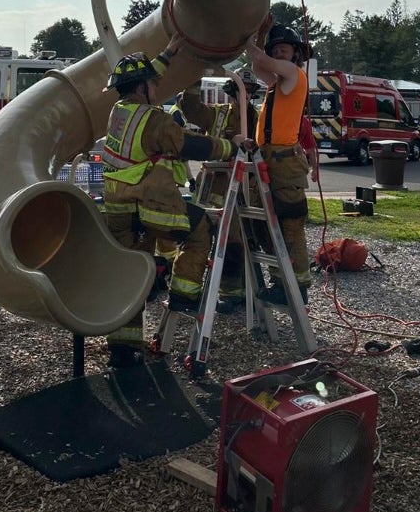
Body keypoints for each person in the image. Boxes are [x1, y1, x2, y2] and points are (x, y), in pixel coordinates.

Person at [102, 37, 239, 368]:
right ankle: (183, 295)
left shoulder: (118, 112)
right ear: (143, 87)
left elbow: (145, 79)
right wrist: (230, 148)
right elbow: (188, 146)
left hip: (118, 210)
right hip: (148, 205)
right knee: (201, 227)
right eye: (153, 83)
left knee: (132, 271)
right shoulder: (154, 119)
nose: (157, 87)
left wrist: (169, 53)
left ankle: (123, 349)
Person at [179, 67, 261, 310]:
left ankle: (236, 291)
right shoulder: (218, 115)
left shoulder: (258, 119)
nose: (242, 97)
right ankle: (194, 291)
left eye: (247, 92)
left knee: (241, 240)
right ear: (231, 92)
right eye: (238, 91)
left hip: (246, 188)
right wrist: (193, 79)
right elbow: (191, 109)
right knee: (202, 237)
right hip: (213, 188)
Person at [247, 24, 312, 304]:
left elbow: (261, 61)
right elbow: (258, 65)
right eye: (275, 49)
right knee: (265, 222)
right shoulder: (277, 83)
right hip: (269, 156)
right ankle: (279, 280)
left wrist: (245, 38)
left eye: (283, 49)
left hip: (285, 160)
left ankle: (297, 287)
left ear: (295, 54)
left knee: (289, 222)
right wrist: (257, 41)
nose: (278, 53)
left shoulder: (294, 74)